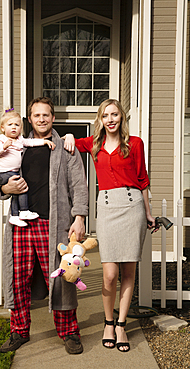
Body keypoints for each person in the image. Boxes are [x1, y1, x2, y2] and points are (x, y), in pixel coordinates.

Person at [0, 97, 88, 355]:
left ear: (53, 118)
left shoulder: (65, 147)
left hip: (53, 225)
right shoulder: (17, 145)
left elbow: (79, 185)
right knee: (19, 279)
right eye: (37, 115)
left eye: (46, 115)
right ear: (29, 119)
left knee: (61, 280)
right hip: (21, 225)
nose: (42, 119)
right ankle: (19, 332)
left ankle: (69, 332)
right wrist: (4, 188)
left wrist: (79, 217)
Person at [63, 98, 155, 352]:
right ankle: (108, 323)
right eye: (106, 116)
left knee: (128, 271)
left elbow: (143, 180)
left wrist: (148, 213)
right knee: (109, 274)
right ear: (100, 121)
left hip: (132, 205)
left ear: (121, 117)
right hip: (106, 209)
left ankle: (122, 326)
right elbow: (63, 143)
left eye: (114, 114)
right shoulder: (93, 145)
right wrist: (69, 133)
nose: (110, 119)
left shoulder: (135, 143)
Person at [0, 108, 56, 227]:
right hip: (2, 174)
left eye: (17, 124)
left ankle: (15, 216)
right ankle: (24, 211)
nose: (14, 127)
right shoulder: (0, 139)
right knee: (22, 186)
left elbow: (31, 142)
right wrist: (3, 147)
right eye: (10, 124)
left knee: (17, 192)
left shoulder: (20, 140)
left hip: (12, 172)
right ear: (2, 128)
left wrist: (44, 142)